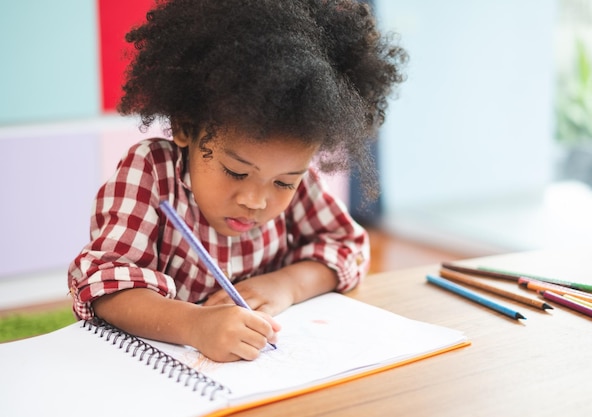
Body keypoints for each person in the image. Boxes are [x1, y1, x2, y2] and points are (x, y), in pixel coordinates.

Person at [68, 0, 407, 362]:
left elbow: (349, 248)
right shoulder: (150, 171)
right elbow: (103, 285)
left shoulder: (298, 180)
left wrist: (287, 285)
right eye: (237, 172)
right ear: (185, 127)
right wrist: (194, 325)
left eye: (283, 183)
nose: (256, 199)